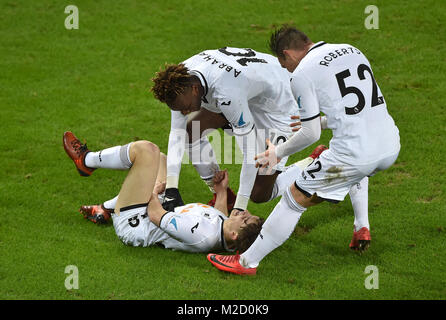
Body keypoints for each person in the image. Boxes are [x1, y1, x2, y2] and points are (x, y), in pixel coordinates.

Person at [207, 26, 400, 274]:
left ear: (287, 53)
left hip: (354, 155)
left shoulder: (302, 74)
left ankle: (246, 263)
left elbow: (310, 134)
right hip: (389, 145)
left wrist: (277, 152)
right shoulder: (351, 50)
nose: (287, 70)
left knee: (292, 199)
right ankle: (361, 224)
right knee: (357, 168)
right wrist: (318, 121)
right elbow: (353, 110)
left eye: (284, 64)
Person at [151, 47, 300, 215]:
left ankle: (314, 162)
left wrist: (240, 207)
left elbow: (250, 151)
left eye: (186, 108)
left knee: (259, 193)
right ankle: (224, 197)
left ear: (194, 89)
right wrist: (172, 189)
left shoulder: (226, 92)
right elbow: (177, 134)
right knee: (190, 132)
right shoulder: (178, 82)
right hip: (249, 91)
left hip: (280, 106)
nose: (185, 113)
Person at [62, 131, 264, 253]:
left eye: (246, 220)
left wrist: (153, 191)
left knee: (146, 150)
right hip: (167, 208)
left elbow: (155, 214)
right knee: (160, 159)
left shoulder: (201, 234)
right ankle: (104, 209)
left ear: (234, 235)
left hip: (136, 223)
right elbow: (219, 217)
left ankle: (86, 161)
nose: (244, 214)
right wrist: (221, 192)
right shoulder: (223, 232)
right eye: (249, 215)